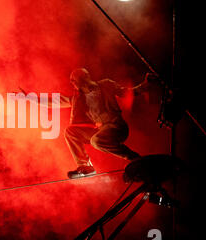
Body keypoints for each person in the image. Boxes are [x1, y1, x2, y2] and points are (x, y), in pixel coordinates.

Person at [21, 67, 154, 179]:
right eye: (72, 81)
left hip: (117, 127)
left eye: (76, 79)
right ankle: (85, 166)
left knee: (96, 141)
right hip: (101, 130)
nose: (73, 83)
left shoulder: (106, 85)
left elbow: (127, 93)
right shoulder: (79, 98)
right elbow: (55, 102)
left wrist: (146, 85)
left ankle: (135, 159)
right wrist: (31, 98)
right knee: (71, 132)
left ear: (85, 78)